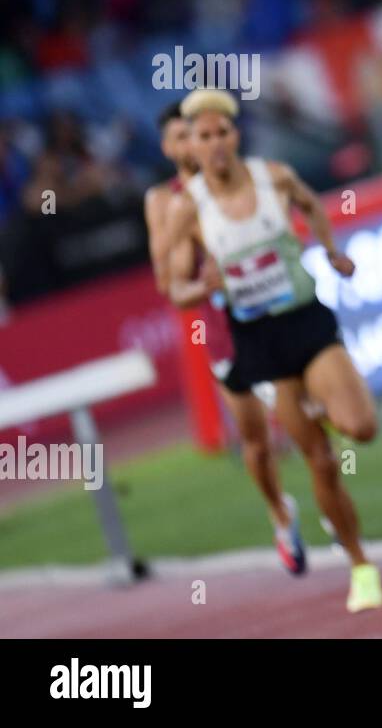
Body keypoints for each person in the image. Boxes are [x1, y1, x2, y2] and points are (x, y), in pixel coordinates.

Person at [156, 88, 382, 608]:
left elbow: (311, 203)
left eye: (222, 133)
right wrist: (205, 285)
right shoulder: (184, 210)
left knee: (361, 427)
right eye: (203, 136)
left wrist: (330, 251)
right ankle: (361, 567)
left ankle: (330, 403)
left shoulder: (273, 176)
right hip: (259, 344)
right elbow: (174, 288)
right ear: (190, 146)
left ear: (235, 136)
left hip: (304, 322)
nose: (215, 144)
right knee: (320, 461)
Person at [144, 102, 307, 575]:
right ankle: (281, 512)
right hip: (225, 335)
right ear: (170, 147)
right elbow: (166, 283)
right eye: (180, 137)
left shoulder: (246, 179)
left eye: (196, 134)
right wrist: (203, 280)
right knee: (256, 442)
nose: (192, 145)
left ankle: (334, 506)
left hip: (278, 315)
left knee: (309, 420)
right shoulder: (168, 202)